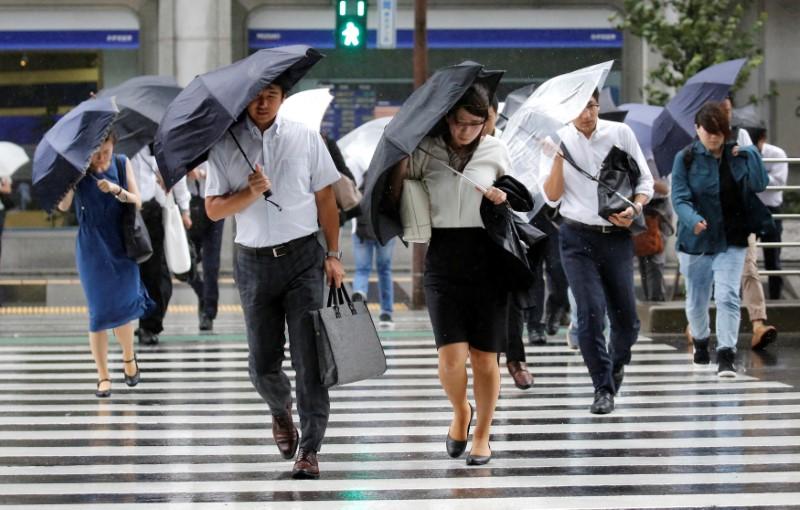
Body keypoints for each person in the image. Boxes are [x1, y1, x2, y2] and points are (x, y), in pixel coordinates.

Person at [204, 78, 344, 480]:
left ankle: (311, 449)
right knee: (262, 362)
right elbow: (213, 209)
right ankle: (280, 409)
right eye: (256, 95)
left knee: (309, 358)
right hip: (252, 262)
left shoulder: (304, 137)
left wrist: (333, 254)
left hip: (303, 258)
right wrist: (249, 192)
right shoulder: (225, 144)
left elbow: (325, 198)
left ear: (283, 99)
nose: (263, 102)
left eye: (272, 95)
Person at [388, 82, 509, 465]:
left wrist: (502, 196)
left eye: (474, 123)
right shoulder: (426, 149)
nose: (464, 131)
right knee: (451, 358)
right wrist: (401, 167)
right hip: (441, 256)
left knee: (486, 359)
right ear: (446, 118)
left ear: (486, 121)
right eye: (458, 122)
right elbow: (400, 193)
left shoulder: (496, 148)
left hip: (488, 256)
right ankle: (461, 411)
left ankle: (483, 435)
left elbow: (526, 197)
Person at [541, 88, 653, 415]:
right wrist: (559, 160)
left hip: (616, 236)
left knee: (627, 321)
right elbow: (551, 198)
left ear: (598, 105)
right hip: (575, 237)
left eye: (591, 106)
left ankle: (617, 363)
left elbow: (644, 183)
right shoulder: (555, 141)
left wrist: (635, 209)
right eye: (579, 109)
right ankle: (602, 387)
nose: (587, 115)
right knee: (590, 313)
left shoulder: (620, 133)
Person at [672, 101, 769, 377]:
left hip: (733, 236)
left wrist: (750, 152)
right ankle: (701, 343)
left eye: (720, 132)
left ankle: (727, 354)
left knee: (727, 294)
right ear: (697, 129)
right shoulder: (686, 157)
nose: (715, 138)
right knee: (697, 299)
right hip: (696, 241)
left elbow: (760, 184)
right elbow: (678, 197)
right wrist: (693, 220)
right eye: (709, 131)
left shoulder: (737, 152)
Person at [56, 132, 151, 397]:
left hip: (121, 242)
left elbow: (138, 200)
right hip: (92, 247)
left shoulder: (121, 163)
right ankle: (103, 375)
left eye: (105, 152)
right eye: (96, 153)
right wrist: (72, 181)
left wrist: (116, 190)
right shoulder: (78, 168)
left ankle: (129, 358)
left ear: (113, 147)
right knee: (98, 311)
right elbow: (64, 207)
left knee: (122, 306)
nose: (101, 158)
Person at [721, 96, 778, 350]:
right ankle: (697, 327)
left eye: (729, 108)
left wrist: (746, 153)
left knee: (749, 268)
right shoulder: (695, 142)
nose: (726, 113)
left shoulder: (740, 135)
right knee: (704, 275)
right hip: (710, 218)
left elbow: (756, 180)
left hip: (741, 214)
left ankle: (758, 324)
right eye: (721, 109)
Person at [130, 144, 192, 345]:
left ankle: (149, 324)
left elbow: (179, 175)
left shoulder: (164, 145)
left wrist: (184, 209)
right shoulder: (124, 148)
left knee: (156, 273)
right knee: (130, 271)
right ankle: (136, 319)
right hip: (128, 212)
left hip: (154, 212)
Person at [748, 126, 788, 302]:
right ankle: (746, 299)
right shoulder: (744, 153)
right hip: (750, 208)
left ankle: (776, 298)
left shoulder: (776, 153)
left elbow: (778, 182)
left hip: (770, 209)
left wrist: (756, 177)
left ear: (762, 139)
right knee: (747, 258)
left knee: (773, 258)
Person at [185, 162, 225, 331]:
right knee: (184, 263)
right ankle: (202, 293)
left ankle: (208, 313)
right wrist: (185, 172)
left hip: (216, 205)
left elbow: (226, 177)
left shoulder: (219, 144)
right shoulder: (184, 145)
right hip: (190, 206)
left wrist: (201, 174)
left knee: (211, 264)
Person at [637, 159, 674, 301]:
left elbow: (665, 188)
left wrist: (646, 181)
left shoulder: (659, 156)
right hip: (639, 206)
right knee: (642, 254)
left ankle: (656, 299)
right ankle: (650, 299)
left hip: (658, 207)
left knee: (655, 254)